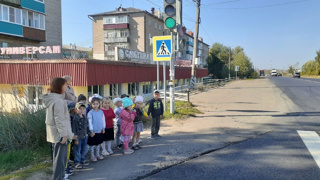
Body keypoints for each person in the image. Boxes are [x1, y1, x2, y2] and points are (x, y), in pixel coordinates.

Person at [43, 77, 77, 180]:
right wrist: (64, 135)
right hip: (60, 135)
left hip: (57, 133)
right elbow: (59, 119)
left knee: (60, 158)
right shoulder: (58, 101)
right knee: (60, 159)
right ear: (60, 86)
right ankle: (58, 178)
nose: (67, 87)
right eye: (65, 85)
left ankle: (60, 177)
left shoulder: (54, 98)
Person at [72, 102, 90, 169]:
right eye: (80, 109)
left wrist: (89, 132)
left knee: (84, 149)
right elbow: (74, 129)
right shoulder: (75, 118)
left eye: (83, 108)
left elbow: (87, 126)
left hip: (85, 136)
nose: (82, 110)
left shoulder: (84, 117)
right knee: (77, 150)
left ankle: (82, 160)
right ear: (76, 109)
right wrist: (75, 138)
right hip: (78, 137)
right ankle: (77, 162)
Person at [87, 97, 106, 162]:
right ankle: (92, 156)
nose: (95, 105)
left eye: (97, 104)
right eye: (94, 104)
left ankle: (97, 154)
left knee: (98, 143)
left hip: (100, 130)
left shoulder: (101, 112)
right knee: (92, 144)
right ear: (91, 104)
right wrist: (91, 130)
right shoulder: (90, 113)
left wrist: (103, 128)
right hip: (93, 131)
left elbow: (103, 120)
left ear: (99, 104)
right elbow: (90, 122)